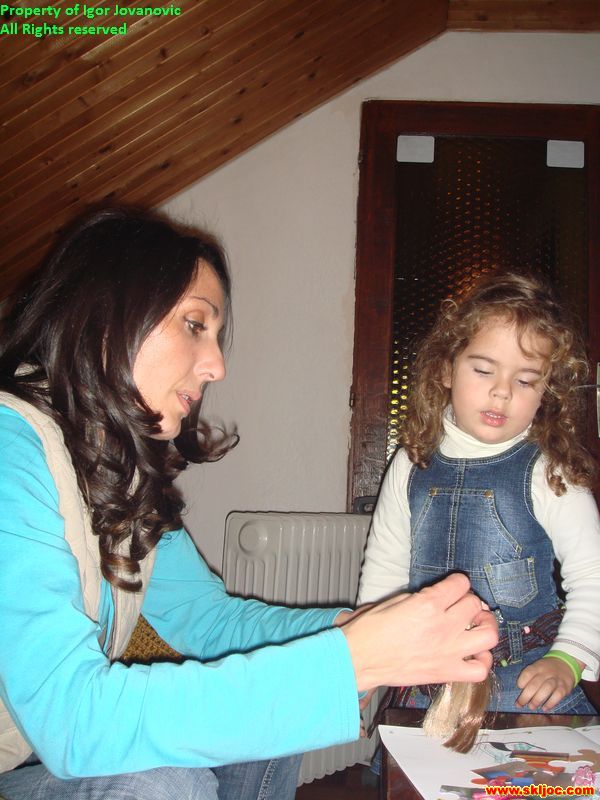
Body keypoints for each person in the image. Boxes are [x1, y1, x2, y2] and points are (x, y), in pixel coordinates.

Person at [0, 207, 498, 800]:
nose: (217, 365)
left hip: (33, 761)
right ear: (106, 313)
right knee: (162, 783)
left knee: (279, 706)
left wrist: (350, 631)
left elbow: (209, 621)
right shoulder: (10, 445)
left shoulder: (120, 477)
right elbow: (71, 720)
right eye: (195, 324)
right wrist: (349, 662)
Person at [358, 271, 600, 751]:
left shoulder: (550, 470)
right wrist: (365, 657)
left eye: (525, 380)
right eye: (484, 370)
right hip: (426, 684)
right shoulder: (410, 462)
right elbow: (385, 568)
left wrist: (569, 658)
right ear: (447, 369)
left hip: (525, 689)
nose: (502, 392)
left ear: (547, 391)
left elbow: (593, 575)